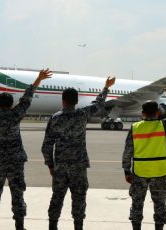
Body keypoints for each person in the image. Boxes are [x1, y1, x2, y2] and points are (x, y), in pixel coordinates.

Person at [0, 69, 53, 230]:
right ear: (12, 105)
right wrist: (38, 80)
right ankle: (19, 226)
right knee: (17, 194)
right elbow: (27, 99)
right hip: (15, 162)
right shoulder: (15, 116)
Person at [42, 76, 116, 230]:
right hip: (78, 166)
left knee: (57, 198)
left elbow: (47, 145)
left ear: (63, 100)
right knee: (79, 198)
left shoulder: (54, 118)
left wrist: (50, 165)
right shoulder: (82, 114)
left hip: (60, 167)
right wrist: (106, 87)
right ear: (76, 101)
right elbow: (99, 104)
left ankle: (52, 226)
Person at [122, 85, 166, 230]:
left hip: (139, 172)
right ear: (157, 112)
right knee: (160, 205)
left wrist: (126, 171)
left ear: (142, 113)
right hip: (159, 172)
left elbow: (127, 151)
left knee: (137, 204)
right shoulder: (164, 126)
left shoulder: (135, 127)